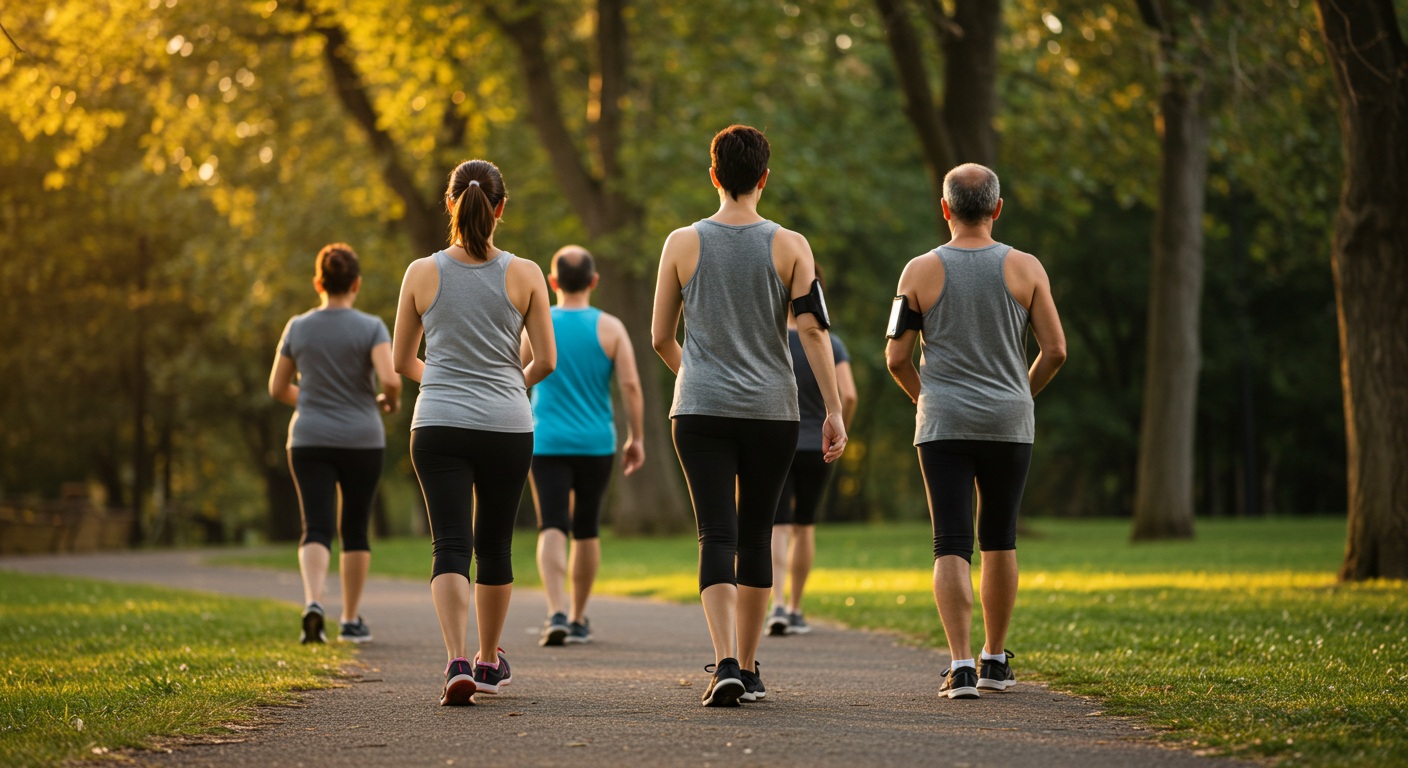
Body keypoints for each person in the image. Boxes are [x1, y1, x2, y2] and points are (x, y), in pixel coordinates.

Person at [652, 125, 847, 707]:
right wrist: (832, 409)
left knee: (716, 531)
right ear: (764, 178)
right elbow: (812, 329)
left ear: (713, 176)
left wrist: (698, 375)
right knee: (757, 533)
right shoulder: (791, 246)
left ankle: (725, 664)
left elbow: (661, 336)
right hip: (772, 411)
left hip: (701, 410)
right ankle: (752, 664)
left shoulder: (681, 243)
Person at [884, 163, 1066, 700]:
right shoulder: (1026, 268)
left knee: (950, 543)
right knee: (1000, 538)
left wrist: (930, 402)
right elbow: (1055, 350)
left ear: (945, 209)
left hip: (943, 424)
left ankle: (960, 665)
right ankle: (994, 659)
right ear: (997, 208)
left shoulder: (917, 272)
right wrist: (1019, 396)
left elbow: (896, 358)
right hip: (1009, 423)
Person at [392, 159, 556, 706]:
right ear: (500, 207)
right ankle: (489, 662)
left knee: (450, 546)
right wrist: (510, 385)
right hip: (506, 425)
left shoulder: (421, 272)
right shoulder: (527, 273)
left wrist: (441, 381)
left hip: (437, 423)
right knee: (495, 545)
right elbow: (547, 361)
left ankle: (455, 660)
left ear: (450, 204)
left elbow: (401, 361)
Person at [268, 243, 401, 645]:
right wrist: (388, 402)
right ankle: (350, 618)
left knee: (316, 526)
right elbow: (391, 379)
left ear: (318, 282)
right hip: (362, 437)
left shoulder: (297, 326)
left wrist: (309, 400)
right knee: (355, 528)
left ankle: (312, 602)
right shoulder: (372, 326)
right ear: (356, 283)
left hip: (309, 437)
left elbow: (277, 387)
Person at [525, 245, 646, 646]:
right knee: (587, 529)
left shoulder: (535, 326)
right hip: (596, 443)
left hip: (545, 441)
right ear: (594, 281)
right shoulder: (611, 328)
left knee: (552, 525)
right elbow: (629, 384)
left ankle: (555, 611)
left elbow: (513, 374)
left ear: (552, 281)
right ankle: (578, 617)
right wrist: (637, 437)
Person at [767, 265, 858, 637]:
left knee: (778, 527)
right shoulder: (829, 343)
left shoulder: (770, 339)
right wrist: (840, 426)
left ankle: (775, 604)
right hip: (817, 444)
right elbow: (848, 393)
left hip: (777, 442)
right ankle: (796, 607)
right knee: (805, 526)